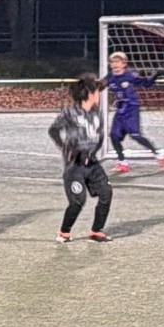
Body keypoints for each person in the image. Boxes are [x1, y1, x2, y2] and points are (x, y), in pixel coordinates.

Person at [48, 73, 114, 243]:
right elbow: (53, 130)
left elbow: (99, 136)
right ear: (89, 93)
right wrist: (64, 147)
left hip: (91, 163)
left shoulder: (96, 113)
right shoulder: (70, 112)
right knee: (78, 201)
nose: (99, 95)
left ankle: (96, 231)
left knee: (106, 193)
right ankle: (64, 232)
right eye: (97, 92)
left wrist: (93, 152)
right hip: (75, 166)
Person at [105, 51, 164, 173]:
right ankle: (123, 163)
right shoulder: (110, 76)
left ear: (124, 64)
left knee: (135, 135)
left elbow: (147, 84)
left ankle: (160, 155)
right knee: (114, 136)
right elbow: (99, 85)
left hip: (131, 108)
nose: (114, 64)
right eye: (112, 62)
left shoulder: (130, 75)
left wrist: (156, 75)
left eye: (117, 61)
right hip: (120, 110)